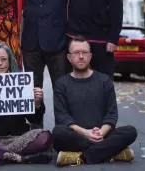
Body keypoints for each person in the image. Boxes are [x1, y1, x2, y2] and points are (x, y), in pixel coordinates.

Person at [52, 36, 137, 166]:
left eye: (85, 52)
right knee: (58, 133)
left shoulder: (104, 81)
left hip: (102, 134)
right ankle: (109, 153)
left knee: (130, 131)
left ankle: (83, 156)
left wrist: (101, 133)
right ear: (69, 57)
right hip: (77, 136)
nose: (81, 56)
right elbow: (62, 117)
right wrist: (86, 133)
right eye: (76, 53)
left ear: (90, 56)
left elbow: (112, 114)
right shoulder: (61, 84)